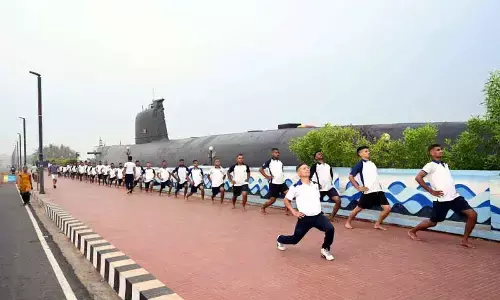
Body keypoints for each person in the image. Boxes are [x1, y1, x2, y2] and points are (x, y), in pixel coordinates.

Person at [408, 144, 478, 248]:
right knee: (433, 223)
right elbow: (418, 177)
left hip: (454, 197)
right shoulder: (430, 165)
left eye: (441, 149)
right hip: (441, 200)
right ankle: (412, 231)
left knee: (472, 215)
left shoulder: (444, 165)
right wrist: (431, 191)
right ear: (432, 153)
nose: (441, 151)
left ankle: (464, 240)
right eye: (438, 150)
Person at [276, 163, 335, 261]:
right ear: (298, 173)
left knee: (330, 229)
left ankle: (325, 249)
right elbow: (286, 200)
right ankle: (280, 239)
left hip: (318, 216)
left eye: (307, 168)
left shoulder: (315, 184)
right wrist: (294, 212)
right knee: (295, 240)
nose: (307, 169)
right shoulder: (295, 187)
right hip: (305, 218)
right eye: (304, 168)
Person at [345, 146, 391, 230]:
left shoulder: (372, 164)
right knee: (358, 208)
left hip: (378, 190)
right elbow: (351, 176)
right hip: (368, 191)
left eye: (368, 151)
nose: (368, 152)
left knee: (387, 209)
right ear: (360, 154)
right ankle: (348, 222)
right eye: (366, 151)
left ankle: (377, 224)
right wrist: (358, 187)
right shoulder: (359, 164)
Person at [309, 151, 341, 222]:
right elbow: (309, 177)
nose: (320, 154)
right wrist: (315, 184)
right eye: (318, 154)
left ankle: (331, 217)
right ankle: (314, 216)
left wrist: (330, 183)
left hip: (329, 188)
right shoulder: (314, 166)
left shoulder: (328, 165)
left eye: (321, 153)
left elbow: (331, 176)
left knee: (338, 201)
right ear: (315, 157)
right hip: (319, 189)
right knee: (314, 203)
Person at [260, 148, 289, 215]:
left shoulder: (280, 162)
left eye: (278, 152)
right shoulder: (269, 162)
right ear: (272, 153)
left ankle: (286, 209)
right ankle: (263, 207)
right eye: (276, 152)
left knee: (288, 195)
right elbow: (260, 169)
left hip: (282, 182)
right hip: (274, 183)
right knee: (272, 200)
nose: (277, 154)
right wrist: (267, 176)